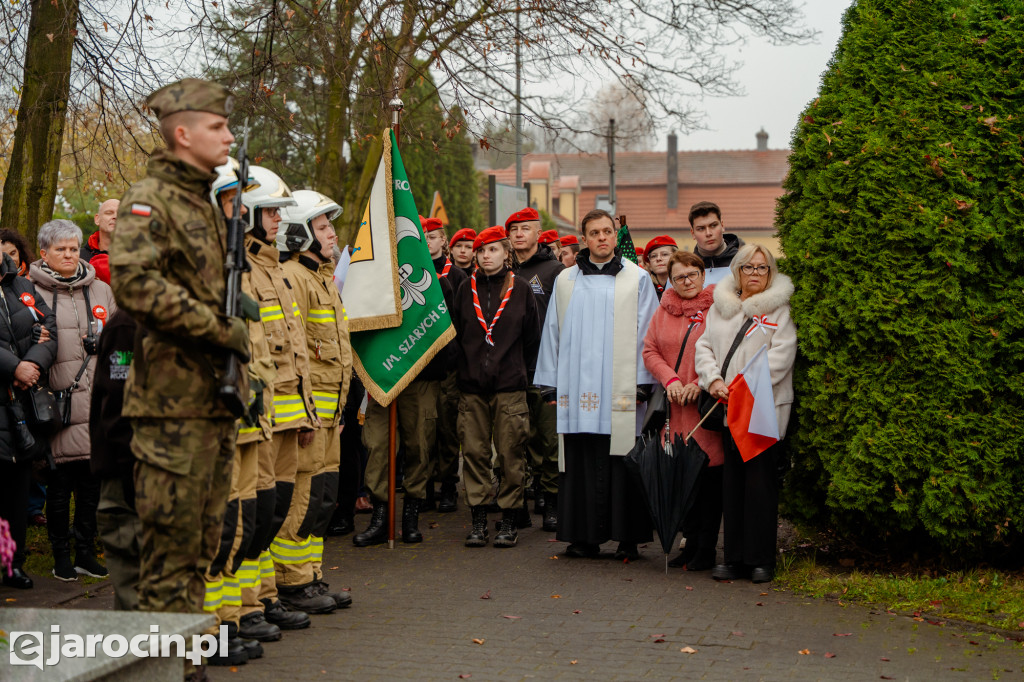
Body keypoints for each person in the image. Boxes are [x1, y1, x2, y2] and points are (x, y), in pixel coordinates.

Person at [109, 79, 251, 682]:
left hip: (210, 405)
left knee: (199, 551)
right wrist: (219, 329)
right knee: (166, 559)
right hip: (171, 413)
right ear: (183, 133)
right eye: (218, 127)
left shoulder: (203, 203)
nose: (229, 136)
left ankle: (184, 668)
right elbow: (134, 284)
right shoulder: (152, 199)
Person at [534, 209, 658, 560]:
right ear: (584, 239)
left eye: (607, 231)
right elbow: (553, 331)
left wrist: (642, 382)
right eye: (594, 232)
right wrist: (550, 383)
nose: (602, 238)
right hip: (577, 388)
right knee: (581, 459)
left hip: (622, 388)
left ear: (615, 236)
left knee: (623, 460)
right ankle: (582, 537)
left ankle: (628, 537)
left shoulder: (638, 278)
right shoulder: (566, 280)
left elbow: (648, 333)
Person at [237, 167, 330, 619]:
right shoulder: (246, 273)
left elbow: (297, 353)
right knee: (257, 514)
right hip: (264, 418)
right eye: (270, 210)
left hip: (292, 417)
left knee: (274, 511)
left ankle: (266, 596)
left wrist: (309, 412)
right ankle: (257, 602)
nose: (278, 219)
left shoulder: (273, 272)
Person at [203, 163, 281, 662]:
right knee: (215, 526)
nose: (243, 213)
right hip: (208, 417)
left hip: (243, 410)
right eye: (232, 201)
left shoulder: (235, 266)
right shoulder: (198, 264)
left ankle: (227, 620)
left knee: (239, 521)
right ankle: (206, 630)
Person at [695, 244, 796, 584]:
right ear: (737, 271)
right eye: (748, 267)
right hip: (727, 410)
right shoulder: (721, 307)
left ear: (771, 273)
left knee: (761, 486)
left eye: (762, 268)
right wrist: (714, 380)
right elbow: (704, 347)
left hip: (762, 414)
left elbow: (782, 354)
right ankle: (734, 558)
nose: (755, 273)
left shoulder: (779, 310)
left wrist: (744, 388)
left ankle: (761, 560)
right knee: (733, 485)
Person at [279, 189, 354, 609]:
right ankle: (291, 584)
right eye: (323, 227)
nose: (332, 234)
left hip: (330, 413)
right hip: (309, 415)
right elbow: (295, 356)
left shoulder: (322, 278)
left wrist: (338, 410)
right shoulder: (294, 279)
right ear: (296, 234)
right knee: (301, 498)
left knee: (322, 498)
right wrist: (304, 414)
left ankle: (311, 575)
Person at [30, 219, 117, 582]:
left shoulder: (100, 291)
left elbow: (122, 344)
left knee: (91, 484)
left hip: (98, 403)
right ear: (44, 253)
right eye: (60, 249)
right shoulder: (29, 292)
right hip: (58, 404)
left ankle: (85, 551)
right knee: (60, 484)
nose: (68, 254)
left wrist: (120, 378)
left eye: (73, 248)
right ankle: (60, 555)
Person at [451, 226, 541, 547]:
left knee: (510, 452)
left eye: (493, 250)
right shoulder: (465, 289)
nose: (487, 256)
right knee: (474, 452)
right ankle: (478, 518)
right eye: (481, 251)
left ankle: (508, 519)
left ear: (506, 253)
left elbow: (531, 338)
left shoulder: (521, 290)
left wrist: (514, 370)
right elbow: (458, 334)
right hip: (472, 388)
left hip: (509, 388)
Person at [641, 251, 722, 571]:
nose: (687, 282)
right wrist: (671, 379)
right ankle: (688, 544)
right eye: (679, 277)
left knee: (709, 481)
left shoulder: (718, 308)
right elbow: (650, 350)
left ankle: (706, 548)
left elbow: (724, 351)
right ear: (670, 281)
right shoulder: (664, 311)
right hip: (675, 408)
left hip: (704, 405)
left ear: (703, 276)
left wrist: (699, 383)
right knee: (681, 478)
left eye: (692, 275)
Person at [0, 251, 57, 590]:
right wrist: (13, 366)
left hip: (19, 405)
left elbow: (47, 329)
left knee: (16, 489)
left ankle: (13, 563)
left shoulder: (21, 285)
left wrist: (31, 365)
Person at [505, 207, 563, 531]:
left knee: (549, 440)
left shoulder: (555, 271)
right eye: (513, 229)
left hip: (546, 368)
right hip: (513, 369)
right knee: (517, 440)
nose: (518, 234)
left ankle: (551, 502)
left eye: (525, 228)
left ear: (538, 233)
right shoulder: (504, 272)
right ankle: (522, 502)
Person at [90, 306, 140, 610]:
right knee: (136, 588)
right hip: (130, 476)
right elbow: (117, 412)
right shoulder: (128, 325)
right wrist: (132, 476)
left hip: (160, 476)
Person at [422, 216, 466, 513]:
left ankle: (448, 485)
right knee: (423, 429)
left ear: (443, 241)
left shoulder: (458, 276)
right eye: (423, 236)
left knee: (447, 427)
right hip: (420, 364)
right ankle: (423, 487)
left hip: (449, 365)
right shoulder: (412, 271)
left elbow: (464, 321)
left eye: (433, 236)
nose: (428, 241)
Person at [688, 201, 744, 287]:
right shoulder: (686, 267)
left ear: (722, 226)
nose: (708, 233)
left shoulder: (743, 261)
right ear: (693, 233)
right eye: (701, 229)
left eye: (713, 225)